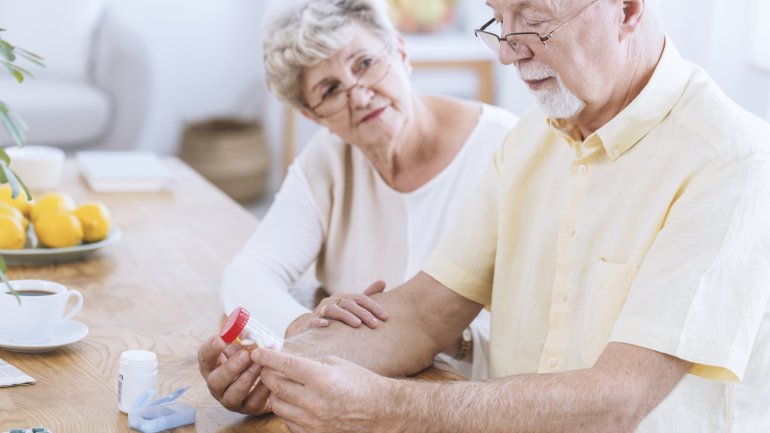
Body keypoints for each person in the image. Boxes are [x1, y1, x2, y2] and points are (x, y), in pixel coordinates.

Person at [200, 0, 770, 431]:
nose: (507, 50)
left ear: (626, 8)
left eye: (533, 20)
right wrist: (271, 363)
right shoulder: (529, 141)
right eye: (500, 18)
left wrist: (390, 408)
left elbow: (618, 400)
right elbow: (424, 314)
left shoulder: (733, 159)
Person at [205, 0, 517, 410]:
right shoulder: (326, 162)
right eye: (330, 89)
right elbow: (247, 272)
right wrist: (304, 328)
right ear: (314, 116)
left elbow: (539, 326)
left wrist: (451, 335)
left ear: (400, 52)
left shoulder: (504, 148)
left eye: (365, 62)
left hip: (467, 404)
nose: (360, 94)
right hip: (348, 400)